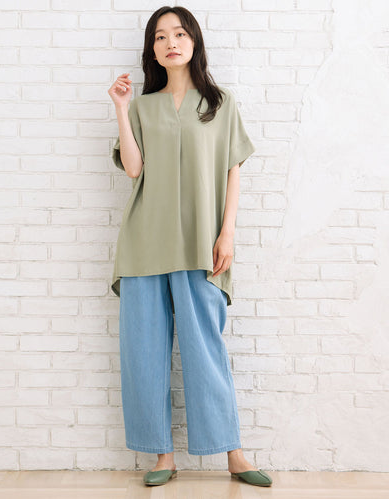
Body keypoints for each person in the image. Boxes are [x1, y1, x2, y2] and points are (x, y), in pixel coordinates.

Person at [107, 5, 272, 488]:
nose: (170, 43)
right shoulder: (143, 107)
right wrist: (120, 107)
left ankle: (233, 454)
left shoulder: (220, 103)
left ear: (194, 41)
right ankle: (162, 455)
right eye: (160, 37)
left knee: (206, 350)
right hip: (144, 242)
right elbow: (133, 169)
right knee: (144, 353)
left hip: (202, 243)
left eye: (179, 34)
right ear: (152, 50)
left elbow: (233, 170)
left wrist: (228, 232)